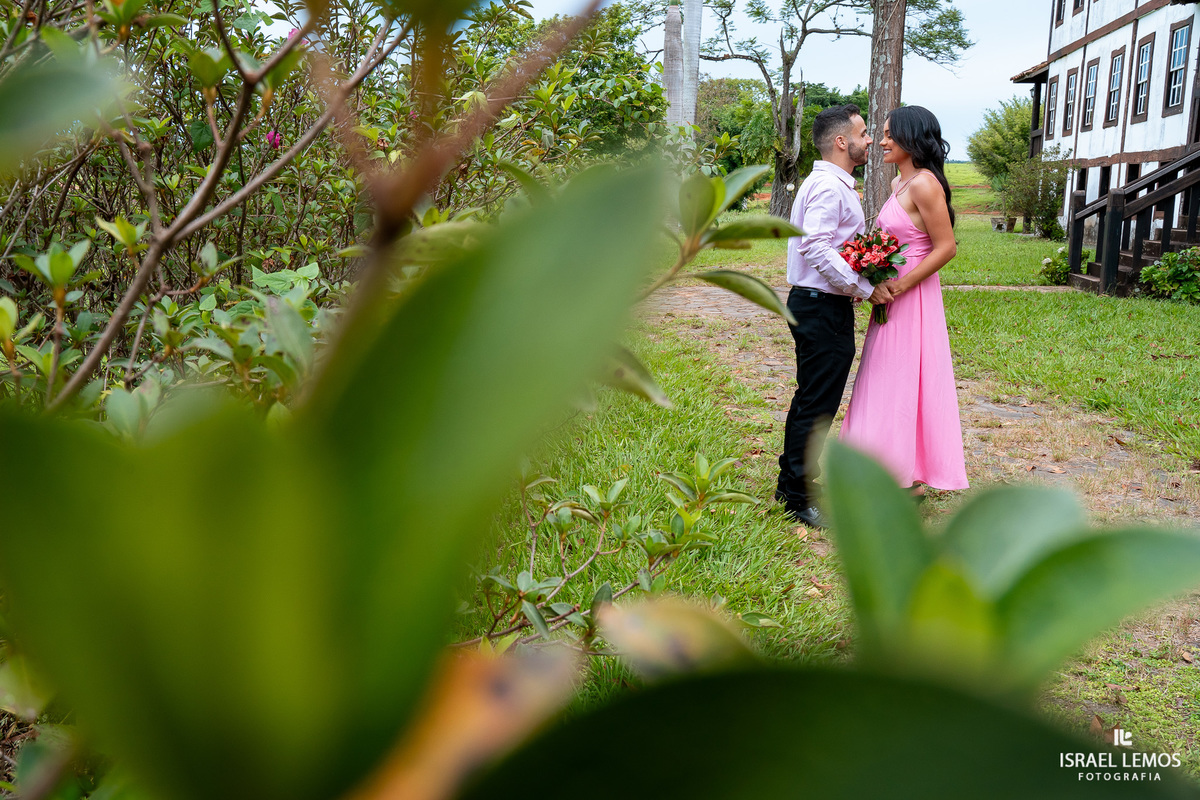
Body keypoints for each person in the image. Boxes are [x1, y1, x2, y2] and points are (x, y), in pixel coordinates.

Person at [839, 105, 969, 495]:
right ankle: (886, 468)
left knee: (903, 376)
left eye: (890, 135)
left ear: (913, 138)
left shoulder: (925, 184)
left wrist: (901, 285)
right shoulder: (899, 183)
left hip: (912, 295)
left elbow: (946, 248)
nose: (881, 141)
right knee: (884, 377)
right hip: (891, 292)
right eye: (881, 134)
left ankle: (906, 477)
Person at [776, 104, 894, 529]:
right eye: (863, 134)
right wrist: (865, 287)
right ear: (842, 141)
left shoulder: (833, 184)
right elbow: (816, 247)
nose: (869, 141)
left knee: (814, 397)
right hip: (820, 305)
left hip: (819, 303)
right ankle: (796, 495)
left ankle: (796, 481)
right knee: (816, 402)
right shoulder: (828, 187)